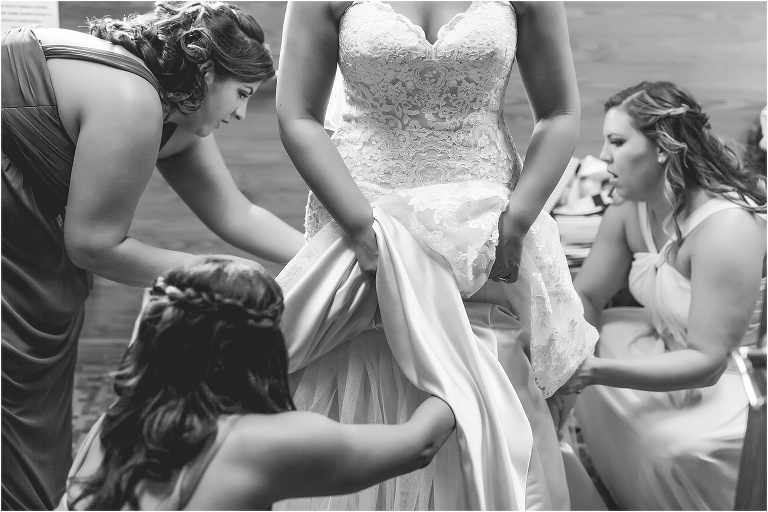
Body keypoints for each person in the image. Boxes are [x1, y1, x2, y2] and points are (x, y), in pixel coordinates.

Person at [275, 1, 600, 509]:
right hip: (364, 203)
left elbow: (559, 112)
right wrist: (361, 229)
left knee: (492, 365)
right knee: (360, 360)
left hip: (486, 223)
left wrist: (516, 221)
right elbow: (296, 113)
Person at [1, 2, 304, 509]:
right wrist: (225, 277)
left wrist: (326, 260)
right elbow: (94, 244)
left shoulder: (178, 120)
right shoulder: (132, 99)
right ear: (206, 70)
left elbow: (236, 215)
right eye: (242, 93)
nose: (241, 113)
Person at [58, 257, 455, 510]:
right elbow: (418, 444)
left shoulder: (115, 422)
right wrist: (469, 362)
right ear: (262, 347)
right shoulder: (263, 442)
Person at [559, 81, 767, 510]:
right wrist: (569, 351)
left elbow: (708, 361)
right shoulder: (628, 206)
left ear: (662, 148)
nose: (603, 156)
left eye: (617, 141)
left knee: (668, 446)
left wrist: (592, 371)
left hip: (732, 375)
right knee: (602, 332)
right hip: (663, 338)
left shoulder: (726, 228)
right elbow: (589, 294)